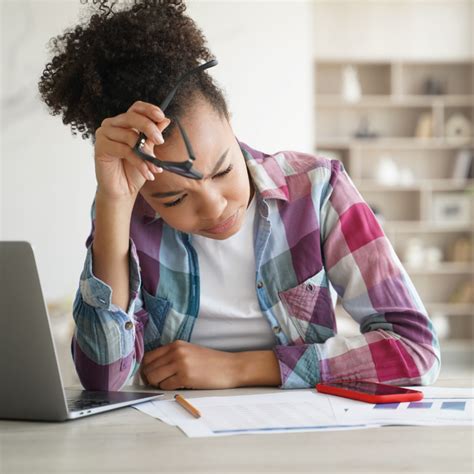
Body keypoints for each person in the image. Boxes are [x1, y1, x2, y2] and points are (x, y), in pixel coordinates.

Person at [38, 0, 441, 391]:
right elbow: (103, 381)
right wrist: (112, 204)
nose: (214, 206)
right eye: (174, 199)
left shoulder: (317, 190)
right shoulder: (126, 210)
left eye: (223, 170)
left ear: (230, 121)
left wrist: (241, 368)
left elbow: (416, 351)